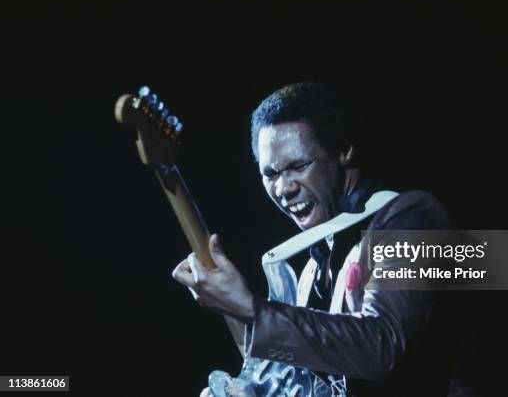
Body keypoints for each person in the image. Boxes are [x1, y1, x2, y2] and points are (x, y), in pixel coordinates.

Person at [172, 82, 480, 396]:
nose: (284, 188)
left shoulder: (413, 217)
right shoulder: (310, 272)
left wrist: (254, 311)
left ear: (344, 150)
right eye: (270, 174)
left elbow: (382, 347)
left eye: (298, 166)